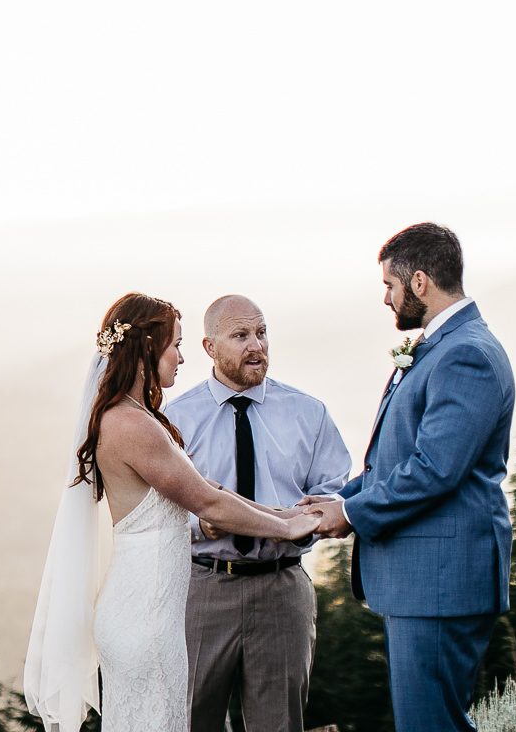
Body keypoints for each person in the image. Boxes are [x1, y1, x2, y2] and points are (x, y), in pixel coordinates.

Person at [25, 293, 325, 732]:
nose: (182, 357)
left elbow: (211, 490)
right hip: (144, 614)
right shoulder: (132, 425)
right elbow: (208, 503)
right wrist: (288, 527)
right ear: (148, 347)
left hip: (152, 609)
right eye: (176, 345)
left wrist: (283, 516)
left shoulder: (134, 416)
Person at [305, 223, 515, 732]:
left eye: (389, 286)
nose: (386, 298)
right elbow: (398, 459)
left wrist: (350, 513)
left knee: (430, 725)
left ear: (419, 282)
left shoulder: (466, 354)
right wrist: (335, 499)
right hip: (427, 580)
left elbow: (434, 470)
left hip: (441, 580)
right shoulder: (443, 345)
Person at [163, 295, 351, 732]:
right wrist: (199, 522)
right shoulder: (176, 419)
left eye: (262, 333)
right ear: (209, 347)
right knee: (191, 720)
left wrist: (302, 526)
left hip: (282, 590)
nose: (256, 346)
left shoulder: (309, 412)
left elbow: (332, 490)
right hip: (203, 589)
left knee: (279, 725)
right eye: (241, 335)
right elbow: (161, 507)